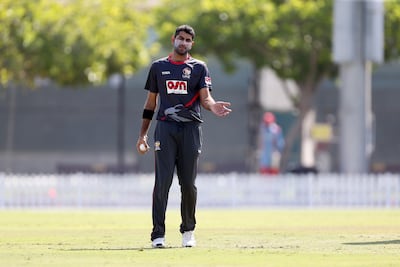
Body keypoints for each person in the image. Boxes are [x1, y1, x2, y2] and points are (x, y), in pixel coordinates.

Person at [136, 25, 231, 248]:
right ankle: (158, 235)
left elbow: (205, 98)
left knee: (188, 184)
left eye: (188, 40)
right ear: (173, 39)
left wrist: (213, 106)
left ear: (192, 44)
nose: (184, 43)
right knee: (162, 184)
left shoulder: (199, 68)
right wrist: (143, 135)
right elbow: (151, 103)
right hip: (165, 130)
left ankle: (188, 231)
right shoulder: (158, 67)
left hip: (190, 130)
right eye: (180, 38)